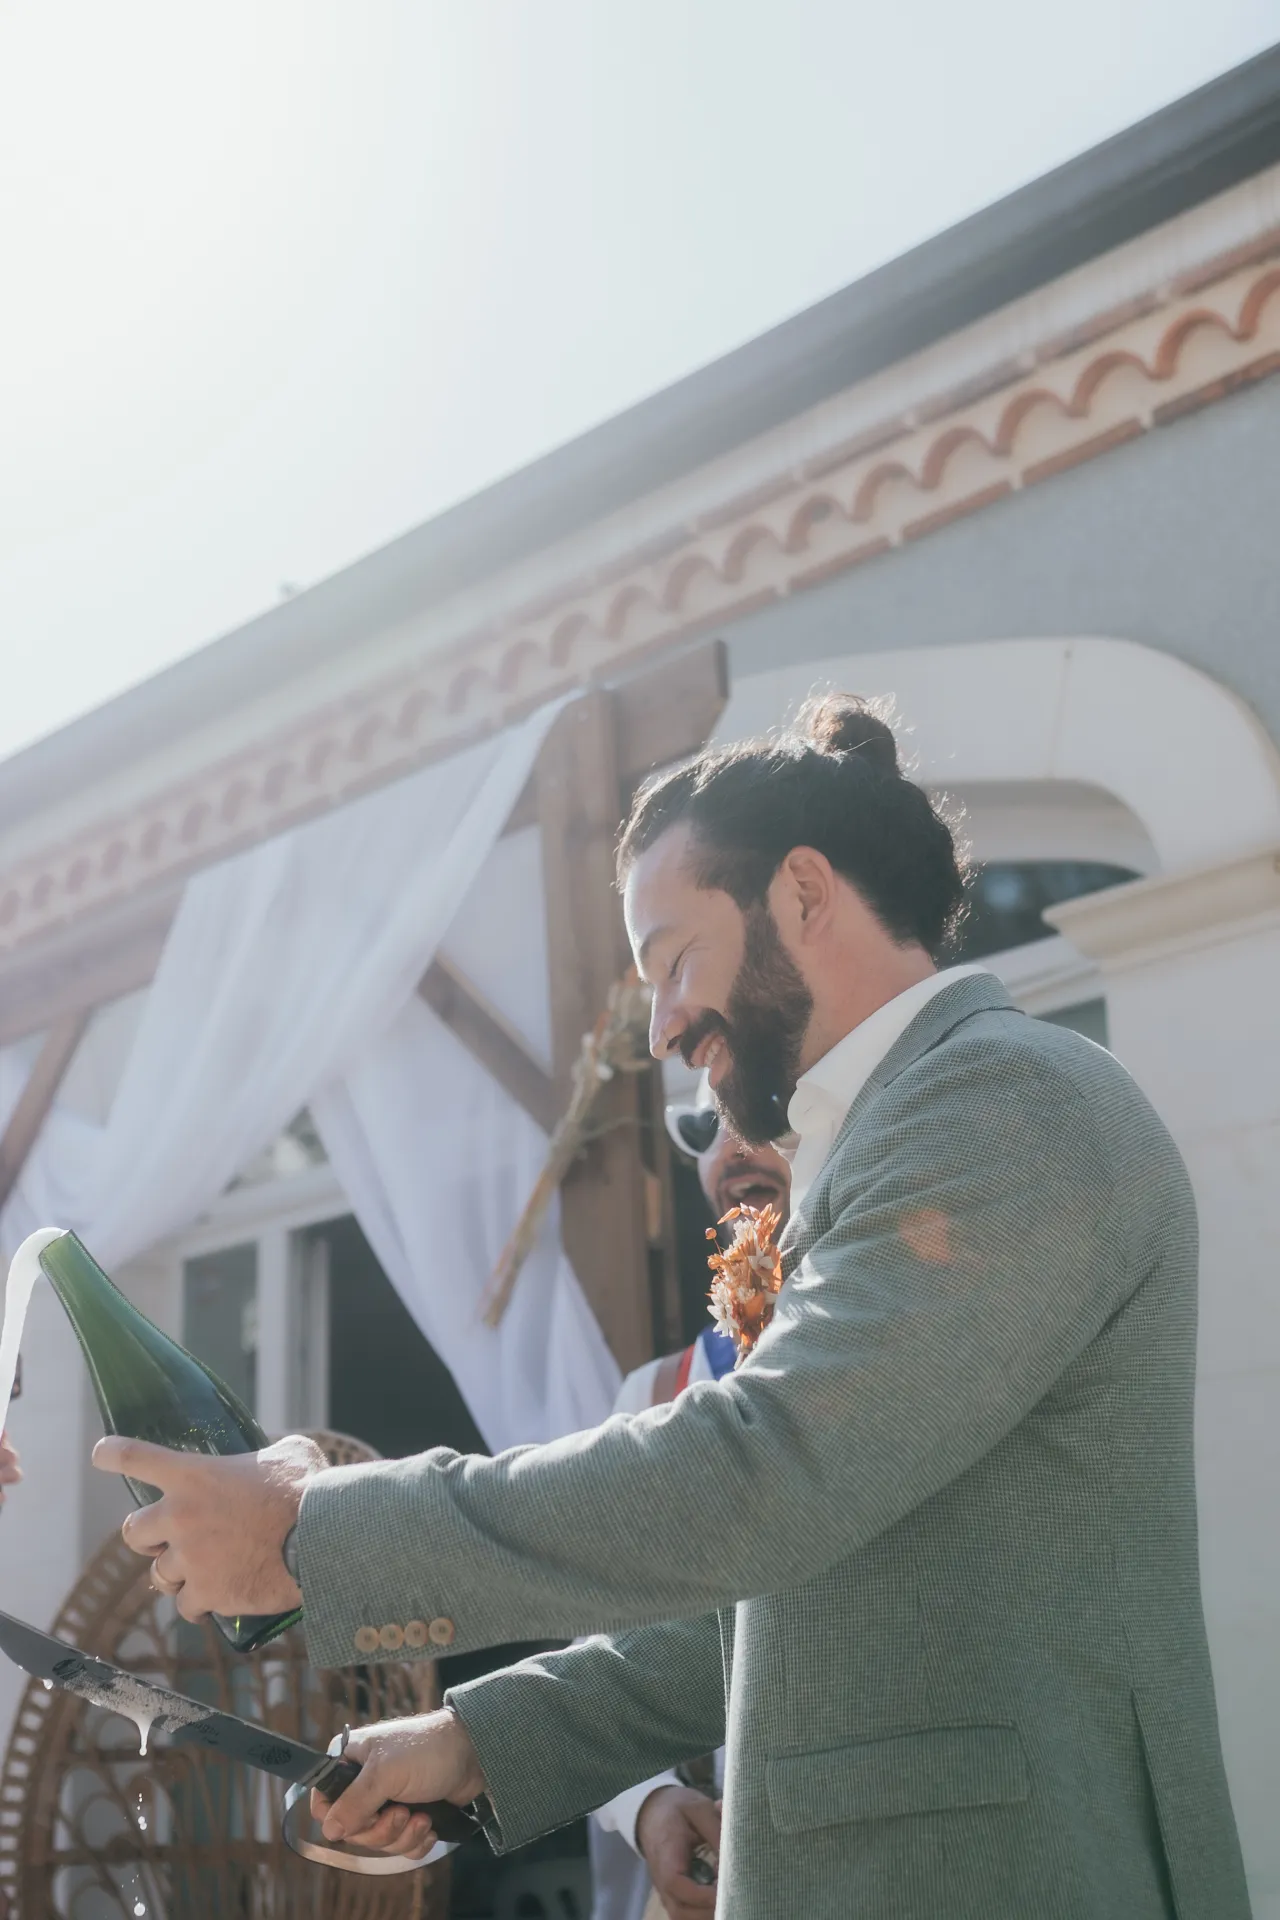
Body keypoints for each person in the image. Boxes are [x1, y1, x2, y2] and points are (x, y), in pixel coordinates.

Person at [95, 694, 1250, 1919]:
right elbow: (787, 1601)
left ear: (802, 894)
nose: (659, 1028)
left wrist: (303, 1526)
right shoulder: (891, 1143)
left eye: (671, 960)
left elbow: (758, 1477)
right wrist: (483, 1741)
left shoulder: (1003, 1103)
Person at [591, 1093, 789, 1920]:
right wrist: (645, 1803)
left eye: (760, 1113)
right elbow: (598, 1625)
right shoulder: (648, 1394)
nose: (732, 1146)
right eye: (709, 1129)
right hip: (697, 1871)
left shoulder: (899, 1341)